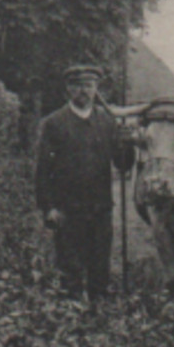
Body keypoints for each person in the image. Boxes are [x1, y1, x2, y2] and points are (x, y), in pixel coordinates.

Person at [35, 64, 134, 303]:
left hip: (100, 208)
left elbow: (122, 164)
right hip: (68, 210)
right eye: (78, 86)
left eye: (89, 86)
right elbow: (42, 171)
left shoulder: (107, 122)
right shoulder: (54, 123)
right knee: (71, 269)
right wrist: (49, 208)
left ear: (96, 89)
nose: (84, 91)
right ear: (68, 89)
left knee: (100, 266)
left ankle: (98, 319)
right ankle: (72, 322)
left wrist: (126, 144)